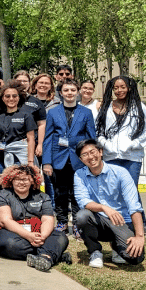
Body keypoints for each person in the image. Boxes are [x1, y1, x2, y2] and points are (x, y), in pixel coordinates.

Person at [73, 139, 145, 267]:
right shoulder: (79, 175)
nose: (90, 157)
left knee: (135, 258)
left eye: (93, 152)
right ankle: (95, 251)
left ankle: (116, 246)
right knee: (82, 216)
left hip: (122, 221)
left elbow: (134, 205)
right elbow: (83, 201)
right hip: (99, 220)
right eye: (85, 154)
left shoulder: (120, 173)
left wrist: (139, 236)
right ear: (81, 159)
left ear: (100, 152)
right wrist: (104, 208)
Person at [96, 75, 146, 232]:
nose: (119, 90)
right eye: (115, 88)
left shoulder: (139, 107)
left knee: (130, 189)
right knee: (113, 189)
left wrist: (134, 144)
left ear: (129, 88)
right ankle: (118, 222)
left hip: (131, 156)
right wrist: (105, 144)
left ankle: (140, 224)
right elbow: (99, 129)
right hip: (111, 156)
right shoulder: (106, 107)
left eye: (122, 87)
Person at [0, 164, 70, 271]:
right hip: (13, 233)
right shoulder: (2, 195)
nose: (21, 182)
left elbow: (47, 219)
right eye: (17, 179)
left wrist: (42, 237)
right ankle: (50, 254)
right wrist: (28, 236)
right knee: (6, 243)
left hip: (38, 233)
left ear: (32, 181)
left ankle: (45, 257)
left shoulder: (43, 197)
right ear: (11, 180)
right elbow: (5, 221)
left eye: (25, 179)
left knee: (61, 237)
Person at [42, 80, 96, 231]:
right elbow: (48, 138)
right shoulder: (53, 112)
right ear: (61, 93)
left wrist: (92, 159)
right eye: (66, 90)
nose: (70, 93)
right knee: (60, 192)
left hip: (79, 159)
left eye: (73, 90)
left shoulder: (86, 112)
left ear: (78, 92)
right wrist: (47, 162)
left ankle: (78, 224)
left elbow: (91, 137)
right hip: (59, 158)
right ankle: (62, 221)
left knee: (77, 192)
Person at [0, 81, 37, 173]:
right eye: (7, 96)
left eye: (14, 96)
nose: (11, 99)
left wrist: (30, 162)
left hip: (21, 158)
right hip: (2, 158)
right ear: (3, 98)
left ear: (19, 98)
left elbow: (31, 140)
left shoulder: (26, 115)